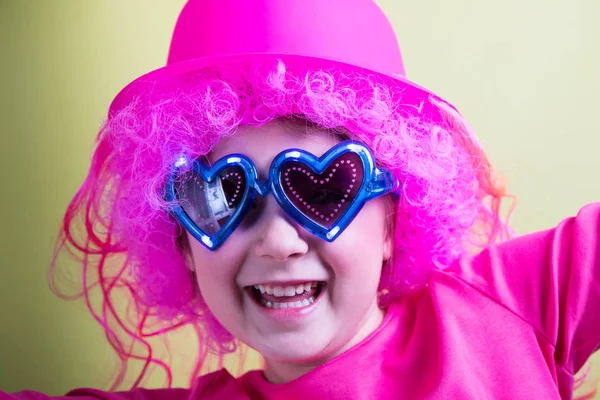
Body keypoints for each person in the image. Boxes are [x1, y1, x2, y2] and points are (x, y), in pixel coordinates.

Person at [3, 0, 599, 399]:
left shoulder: (510, 307)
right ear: (182, 240)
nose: (278, 242)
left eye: (320, 186)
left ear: (395, 216)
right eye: (221, 195)